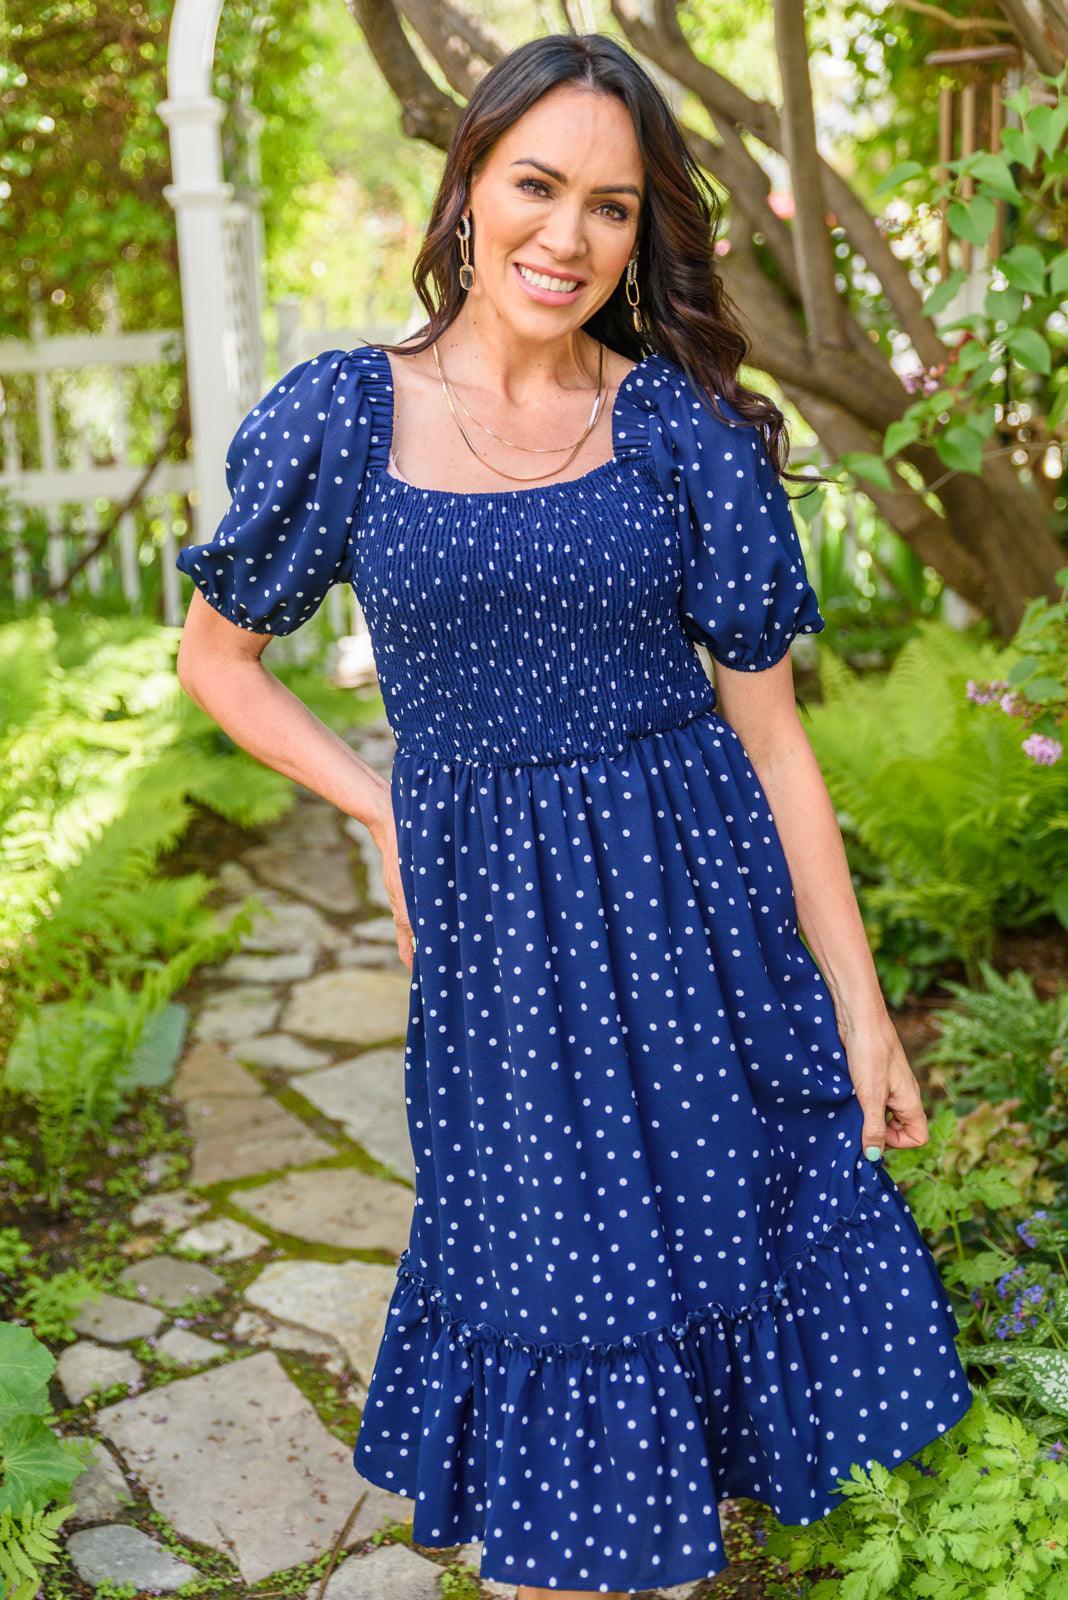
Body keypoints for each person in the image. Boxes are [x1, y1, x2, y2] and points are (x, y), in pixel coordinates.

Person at [173, 31, 973, 1600]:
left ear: (643, 230)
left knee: (698, 1288)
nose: (569, 236)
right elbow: (221, 665)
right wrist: (382, 802)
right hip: (500, 949)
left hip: (699, 925)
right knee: (552, 1297)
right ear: (467, 182)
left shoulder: (679, 432)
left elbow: (781, 750)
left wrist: (863, 1013)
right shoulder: (346, 415)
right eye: (537, 184)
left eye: (612, 206)